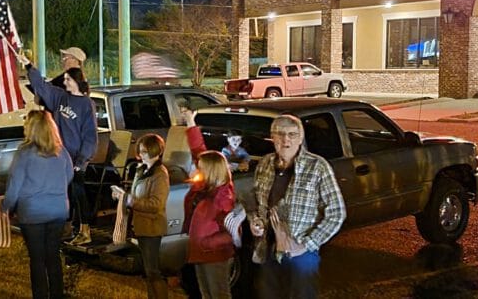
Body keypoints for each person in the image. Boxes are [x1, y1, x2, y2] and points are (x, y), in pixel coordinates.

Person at [248, 115, 345, 299]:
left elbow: (337, 213)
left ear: (301, 138)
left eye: (292, 135)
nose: (286, 140)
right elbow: (256, 203)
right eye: (281, 134)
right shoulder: (264, 165)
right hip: (268, 249)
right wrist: (256, 221)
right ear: (272, 137)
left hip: (302, 255)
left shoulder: (317, 167)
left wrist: (307, 244)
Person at [20, 53, 97, 246]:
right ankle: (66, 227)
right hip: (60, 155)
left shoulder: (86, 105)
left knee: (78, 192)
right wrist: (29, 66)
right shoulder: (61, 97)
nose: (65, 82)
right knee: (64, 193)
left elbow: (90, 135)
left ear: (76, 81)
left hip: (76, 158)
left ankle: (85, 230)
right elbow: (42, 87)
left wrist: (81, 160)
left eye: (68, 79)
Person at [3, 110, 74, 299]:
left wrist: (6, 207)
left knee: (37, 258)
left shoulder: (25, 152)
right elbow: (69, 176)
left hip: (33, 212)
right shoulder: (61, 151)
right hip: (58, 210)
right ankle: (57, 294)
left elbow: (15, 183)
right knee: (53, 255)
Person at [115, 134, 170, 299]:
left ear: (155, 151)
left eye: (144, 151)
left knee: (153, 271)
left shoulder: (160, 174)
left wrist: (131, 201)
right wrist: (123, 197)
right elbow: (136, 195)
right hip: (141, 226)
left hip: (152, 229)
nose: (141, 155)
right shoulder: (142, 169)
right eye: (140, 151)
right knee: (148, 271)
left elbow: (156, 204)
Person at [183, 152, 236, 299]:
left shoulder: (223, 196)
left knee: (219, 294)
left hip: (215, 255)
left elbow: (232, 232)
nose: (197, 171)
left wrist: (207, 243)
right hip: (200, 252)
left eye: (201, 168)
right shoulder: (205, 190)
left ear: (211, 170)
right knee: (206, 294)